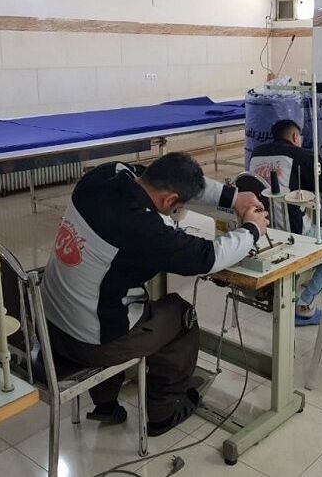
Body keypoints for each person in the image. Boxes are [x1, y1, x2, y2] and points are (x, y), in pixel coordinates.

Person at [41, 153, 268, 436]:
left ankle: (106, 403)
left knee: (124, 301)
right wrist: (252, 230)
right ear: (170, 200)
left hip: (51, 326)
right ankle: (164, 412)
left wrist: (233, 198)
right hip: (89, 343)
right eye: (179, 206)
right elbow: (207, 257)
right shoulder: (143, 228)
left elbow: (176, 182)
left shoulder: (104, 175)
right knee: (180, 315)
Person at [249, 120, 322, 326]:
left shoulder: (256, 155)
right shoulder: (302, 156)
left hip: (263, 230)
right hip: (293, 233)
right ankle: (304, 303)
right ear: (295, 137)